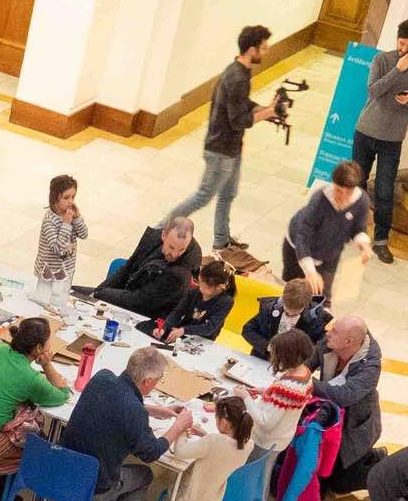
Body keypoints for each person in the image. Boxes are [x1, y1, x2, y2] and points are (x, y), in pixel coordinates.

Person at [158, 27, 278, 258]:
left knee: (228, 193)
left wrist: (265, 109)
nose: (267, 50)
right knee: (204, 195)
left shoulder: (239, 72)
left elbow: (242, 104)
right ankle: (160, 229)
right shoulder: (237, 78)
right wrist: (268, 112)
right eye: (264, 47)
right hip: (221, 149)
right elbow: (237, 120)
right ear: (252, 49)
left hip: (231, 148)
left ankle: (221, 241)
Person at [66, 351, 177, 501]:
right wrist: (177, 427)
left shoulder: (101, 378)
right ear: (148, 381)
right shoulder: (133, 411)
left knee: (88, 453)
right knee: (144, 475)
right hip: (95, 485)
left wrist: (150, 410)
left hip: (66, 470)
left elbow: (118, 404)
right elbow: (151, 452)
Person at [0, 317, 71, 494]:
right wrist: (47, 364)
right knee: (33, 445)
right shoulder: (30, 378)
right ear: (39, 348)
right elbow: (61, 395)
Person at [352, 18, 408, 262]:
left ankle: (381, 241)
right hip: (366, 131)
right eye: (401, 43)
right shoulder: (382, 60)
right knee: (357, 183)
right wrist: (399, 70)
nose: (404, 48)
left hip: (392, 139)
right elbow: (373, 90)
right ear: (397, 38)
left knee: (385, 190)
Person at [310, 315, 384, 495]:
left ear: (348, 342)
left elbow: (345, 395)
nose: (328, 333)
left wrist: (310, 384)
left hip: (354, 427)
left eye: (334, 332)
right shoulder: (331, 342)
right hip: (330, 416)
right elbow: (309, 360)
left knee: (339, 484)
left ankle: (380, 465)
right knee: (321, 471)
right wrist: (302, 371)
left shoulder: (370, 366)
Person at [282, 160, 372, 305]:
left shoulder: (361, 201)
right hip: (298, 249)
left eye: (347, 192)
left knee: (322, 299)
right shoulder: (320, 199)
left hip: (330, 253)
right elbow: (302, 235)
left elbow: (358, 228)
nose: (342, 196)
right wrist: (310, 271)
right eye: (338, 190)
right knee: (293, 294)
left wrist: (363, 244)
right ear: (333, 184)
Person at [89, 218, 201, 322]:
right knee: (79, 294)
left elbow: (139, 301)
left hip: (144, 316)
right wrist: (98, 291)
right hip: (129, 295)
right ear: (163, 235)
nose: (175, 255)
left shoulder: (178, 275)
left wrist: (100, 294)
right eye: (171, 247)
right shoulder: (153, 238)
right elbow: (128, 268)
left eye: (181, 250)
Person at [242, 276, 329, 361]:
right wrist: (266, 346)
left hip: (292, 365)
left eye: (295, 313)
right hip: (262, 359)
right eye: (286, 309)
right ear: (282, 298)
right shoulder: (269, 308)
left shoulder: (315, 317)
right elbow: (248, 330)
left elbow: (319, 345)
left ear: (306, 305)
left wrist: (298, 354)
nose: (290, 314)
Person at [34, 173, 88, 311]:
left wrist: (77, 218)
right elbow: (58, 249)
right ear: (55, 198)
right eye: (66, 197)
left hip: (66, 270)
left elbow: (84, 234)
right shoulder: (49, 221)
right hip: (49, 272)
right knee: (43, 304)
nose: (71, 202)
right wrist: (66, 224)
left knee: (60, 302)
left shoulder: (69, 214)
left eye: (73, 197)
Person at [153, 258, 234, 344]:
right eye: (200, 282)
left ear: (219, 287)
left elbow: (210, 327)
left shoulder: (226, 302)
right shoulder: (193, 292)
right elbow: (177, 312)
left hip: (203, 339)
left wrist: (184, 330)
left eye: (205, 286)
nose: (200, 287)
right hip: (182, 333)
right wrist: (164, 328)